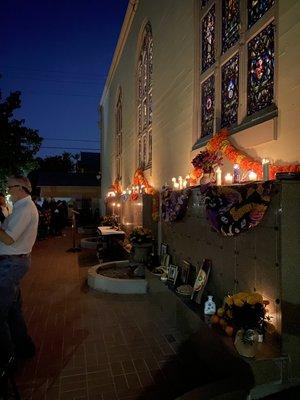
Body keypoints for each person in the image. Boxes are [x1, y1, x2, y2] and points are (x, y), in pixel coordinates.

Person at [0, 176, 39, 366]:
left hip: (11, 263)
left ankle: (8, 359)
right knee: (13, 310)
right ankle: (23, 347)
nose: (7, 191)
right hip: (13, 261)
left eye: (9, 188)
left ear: (21, 188)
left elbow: (8, 239)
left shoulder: (24, 209)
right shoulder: (21, 207)